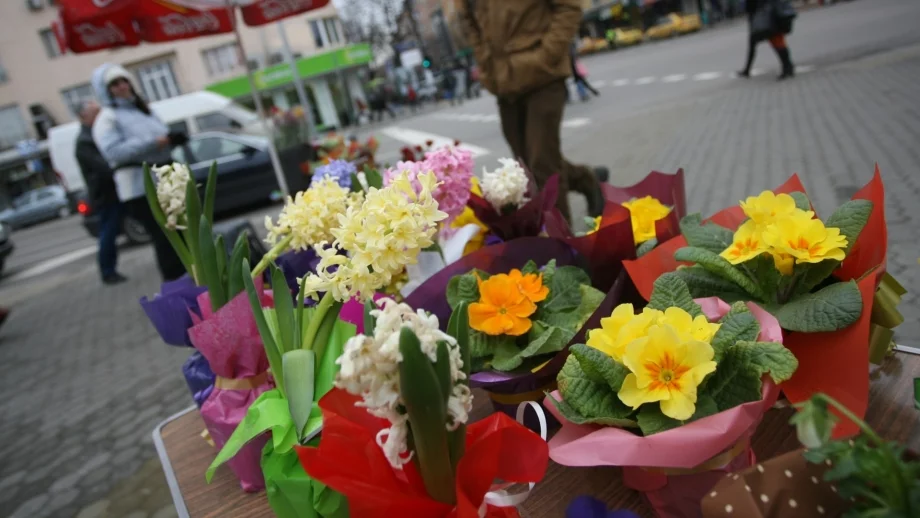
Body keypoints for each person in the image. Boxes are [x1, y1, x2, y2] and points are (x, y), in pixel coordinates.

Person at [458, 0, 608, 222]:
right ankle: (588, 181)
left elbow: (568, 7)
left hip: (544, 77)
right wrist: (486, 65)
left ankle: (561, 240)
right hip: (504, 82)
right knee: (526, 168)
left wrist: (547, 54)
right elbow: (468, 22)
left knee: (542, 163)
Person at [91, 63, 186, 282]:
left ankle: (193, 281)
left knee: (182, 233)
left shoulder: (142, 110)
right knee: (166, 238)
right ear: (106, 90)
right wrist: (154, 143)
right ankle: (175, 286)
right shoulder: (107, 118)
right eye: (115, 84)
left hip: (165, 178)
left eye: (124, 81)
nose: (122, 86)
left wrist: (172, 140)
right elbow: (113, 151)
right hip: (140, 187)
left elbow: (160, 136)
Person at [76, 101, 126, 286]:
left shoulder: (90, 137)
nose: (100, 116)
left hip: (109, 192)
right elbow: (103, 166)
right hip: (105, 195)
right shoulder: (85, 141)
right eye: (95, 113)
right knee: (108, 232)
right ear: (84, 116)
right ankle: (108, 271)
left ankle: (109, 270)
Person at [738, 0, 795, 80]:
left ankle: (788, 67)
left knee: (777, 42)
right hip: (770, 14)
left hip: (768, 15)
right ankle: (788, 67)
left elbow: (751, 5)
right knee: (777, 42)